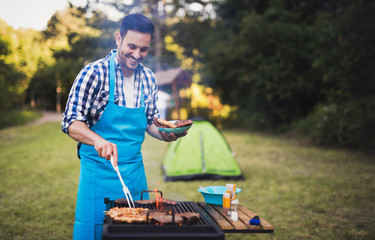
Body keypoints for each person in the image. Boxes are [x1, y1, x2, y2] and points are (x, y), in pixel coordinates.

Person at [61, 13, 187, 240]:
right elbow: (71, 122)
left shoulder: (148, 78)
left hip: (135, 175)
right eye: (132, 46)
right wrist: (98, 140)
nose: (137, 55)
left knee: (135, 234)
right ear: (118, 38)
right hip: (98, 174)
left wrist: (166, 134)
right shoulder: (93, 73)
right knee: (94, 231)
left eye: (144, 49)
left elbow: (150, 121)